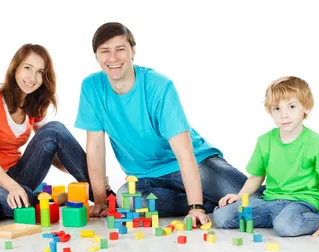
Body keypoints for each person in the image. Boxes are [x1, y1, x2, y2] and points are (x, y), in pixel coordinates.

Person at [75, 22, 249, 226]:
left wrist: (195, 207)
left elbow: (184, 151)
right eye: (105, 51)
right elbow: (95, 147)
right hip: (147, 177)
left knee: (249, 198)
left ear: (133, 51)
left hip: (196, 162)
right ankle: (210, 202)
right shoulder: (91, 87)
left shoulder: (158, 85)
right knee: (126, 200)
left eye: (120, 49)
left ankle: (200, 199)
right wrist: (100, 201)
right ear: (96, 56)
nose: (113, 58)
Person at [0, 43, 111, 218]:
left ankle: (103, 199)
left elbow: (53, 146)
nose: (32, 77)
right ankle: (54, 199)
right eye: (28, 68)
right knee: (23, 205)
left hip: (19, 175)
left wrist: (91, 176)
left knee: (55, 130)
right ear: (15, 68)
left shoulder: (33, 104)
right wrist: (13, 188)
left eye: (40, 72)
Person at [212, 76, 319, 238]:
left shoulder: (316, 143)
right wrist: (239, 197)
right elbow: (256, 177)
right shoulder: (265, 140)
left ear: (306, 108)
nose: (284, 115)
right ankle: (277, 218)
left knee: (285, 227)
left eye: (292, 107)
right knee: (222, 216)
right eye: (277, 109)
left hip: (301, 201)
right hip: (269, 201)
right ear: (270, 112)